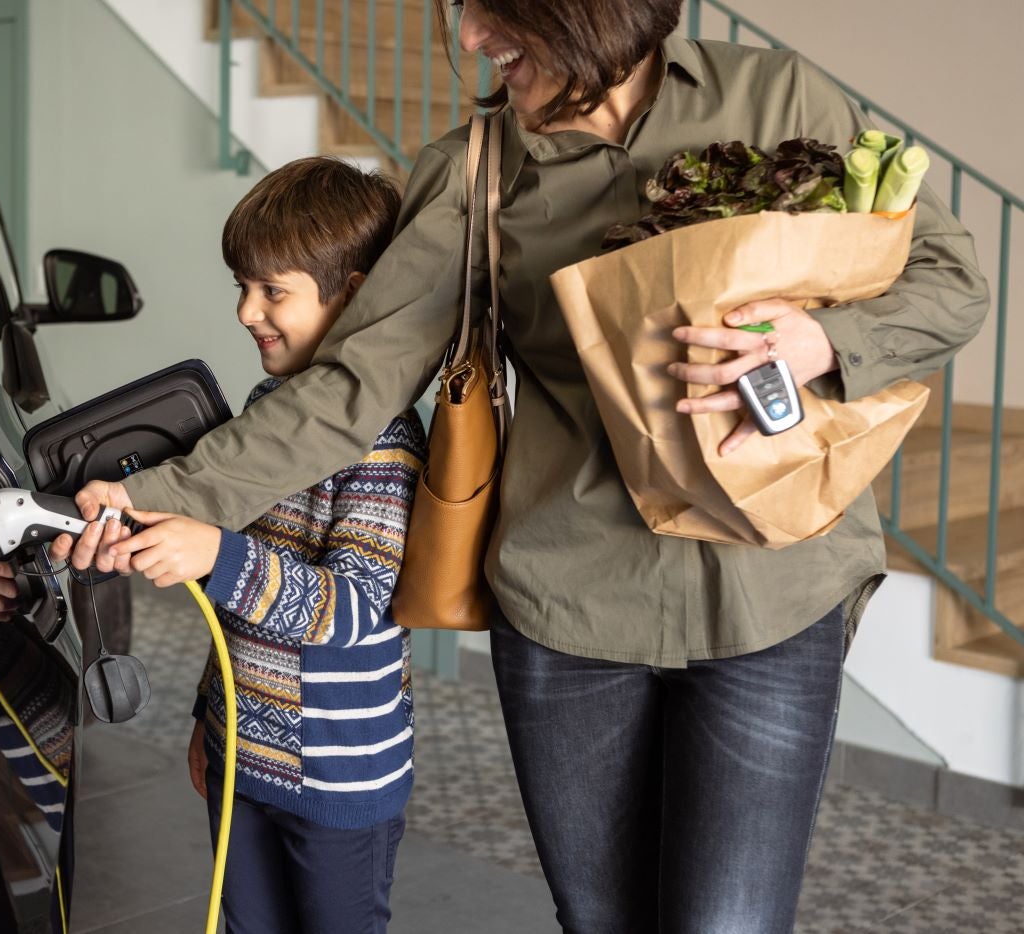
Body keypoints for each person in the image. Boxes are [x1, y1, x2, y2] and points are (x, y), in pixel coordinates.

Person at [52, 2, 990, 931]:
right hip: (570, 615)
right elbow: (351, 386)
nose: (467, 38)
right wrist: (146, 497)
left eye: (491, 9)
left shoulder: (776, 96)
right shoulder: (476, 170)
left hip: (775, 592)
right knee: (599, 918)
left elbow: (950, 278)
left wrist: (821, 340)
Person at [76, 157, 422, 934]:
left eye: (273, 290)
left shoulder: (381, 441)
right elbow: (236, 612)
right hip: (244, 757)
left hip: (339, 782)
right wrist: (210, 718)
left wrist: (216, 555)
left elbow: (353, 609)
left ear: (354, 294)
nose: (245, 311)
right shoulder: (264, 417)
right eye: (243, 285)